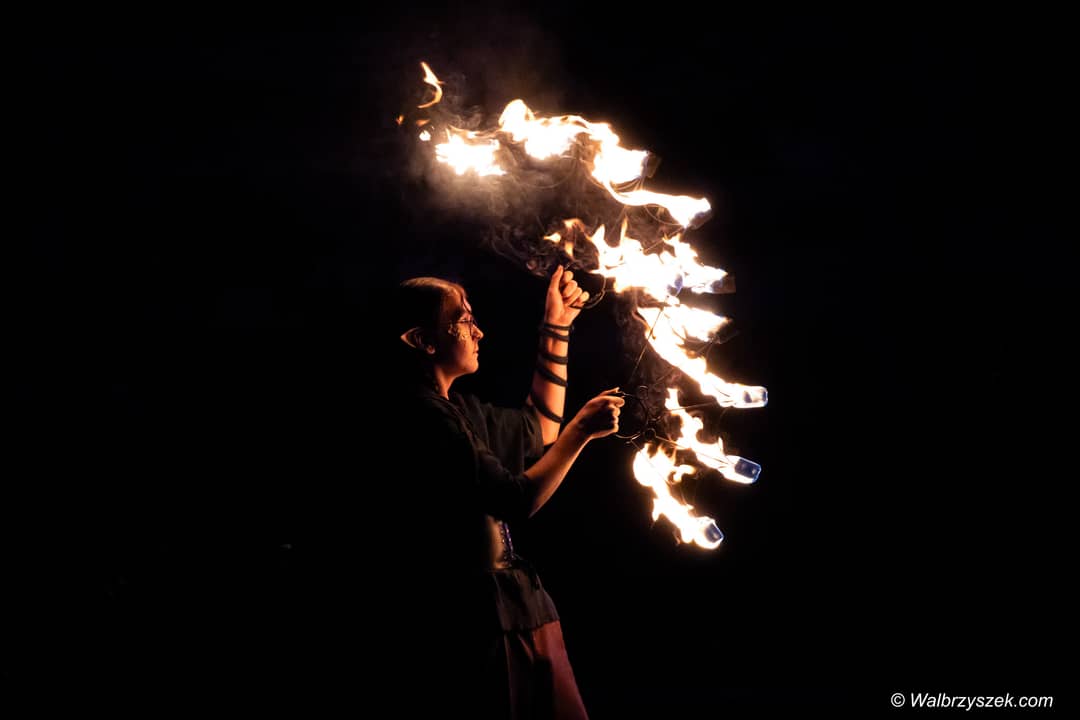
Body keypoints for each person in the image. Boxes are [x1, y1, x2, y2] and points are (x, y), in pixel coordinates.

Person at [385, 266, 624, 719]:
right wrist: (581, 432)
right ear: (423, 340)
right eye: (463, 320)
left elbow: (539, 429)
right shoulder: (422, 418)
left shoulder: (458, 409)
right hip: (473, 622)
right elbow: (515, 500)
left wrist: (557, 327)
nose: (479, 331)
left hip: (518, 610)